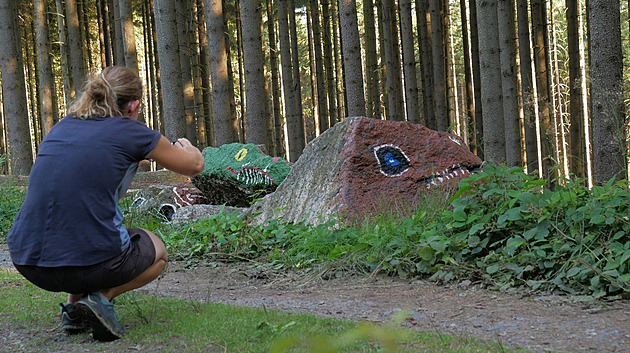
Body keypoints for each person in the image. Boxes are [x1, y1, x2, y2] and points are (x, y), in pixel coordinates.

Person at [7, 66, 205, 341]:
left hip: (28, 260)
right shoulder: (132, 131)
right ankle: (99, 299)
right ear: (133, 106)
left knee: (78, 231)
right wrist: (190, 149)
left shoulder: (63, 126)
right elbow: (193, 166)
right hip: (86, 266)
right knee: (157, 251)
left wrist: (130, 160)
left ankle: (73, 309)